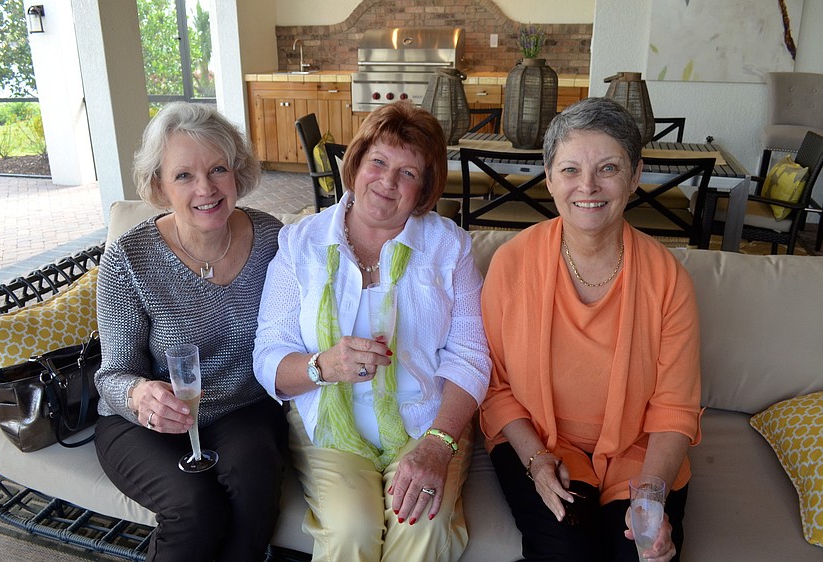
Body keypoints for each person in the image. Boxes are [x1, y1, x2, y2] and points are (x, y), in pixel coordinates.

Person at [253, 101, 491, 562]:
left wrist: (439, 445)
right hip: (329, 425)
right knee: (350, 530)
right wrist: (324, 365)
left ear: (423, 189)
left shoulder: (449, 247)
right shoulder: (301, 243)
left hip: (427, 425)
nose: (387, 181)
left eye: (408, 173)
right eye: (378, 161)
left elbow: (471, 356)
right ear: (356, 163)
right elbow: (268, 357)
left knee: (422, 525)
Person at [479, 97, 702, 562]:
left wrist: (652, 497)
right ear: (548, 176)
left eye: (608, 168)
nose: (588, 187)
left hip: (638, 452)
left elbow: (674, 408)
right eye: (570, 170)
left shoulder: (668, 280)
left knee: (642, 555)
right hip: (541, 444)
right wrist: (537, 461)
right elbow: (496, 388)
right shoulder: (512, 264)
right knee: (566, 552)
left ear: (636, 175)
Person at [94, 102, 286, 561]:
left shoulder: (273, 239)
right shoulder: (128, 258)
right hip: (144, 421)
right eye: (183, 176)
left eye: (218, 169)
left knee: (255, 483)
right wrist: (141, 396)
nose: (206, 188)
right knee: (195, 507)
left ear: (237, 172)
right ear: (158, 185)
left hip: (242, 407)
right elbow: (113, 374)